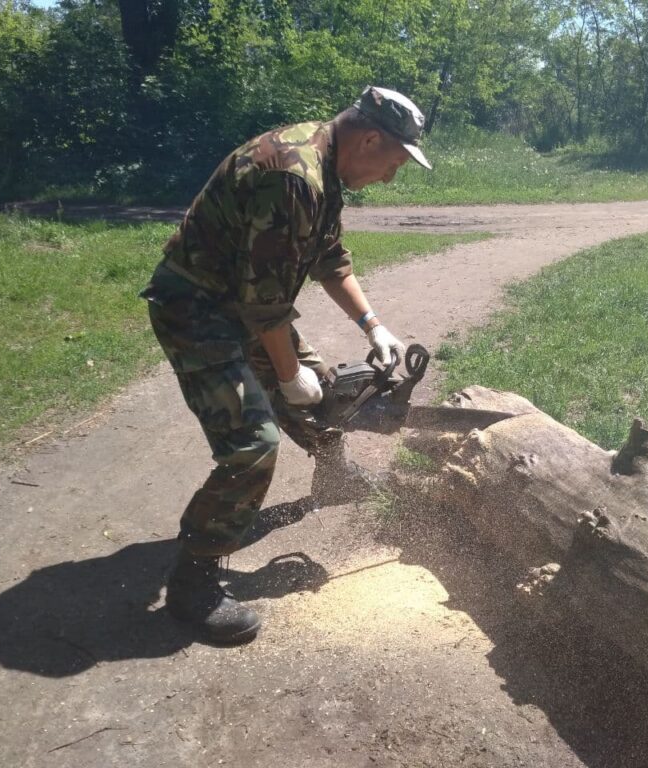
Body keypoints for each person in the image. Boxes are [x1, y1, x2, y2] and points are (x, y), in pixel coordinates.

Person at [140, 86, 432, 644]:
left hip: (243, 304)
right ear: (371, 140)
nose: (390, 178)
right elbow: (265, 305)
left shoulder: (324, 164)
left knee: (330, 392)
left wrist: (373, 325)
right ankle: (193, 582)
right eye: (394, 164)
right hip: (196, 310)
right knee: (253, 443)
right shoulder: (296, 177)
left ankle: (335, 476)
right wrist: (287, 375)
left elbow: (331, 260)